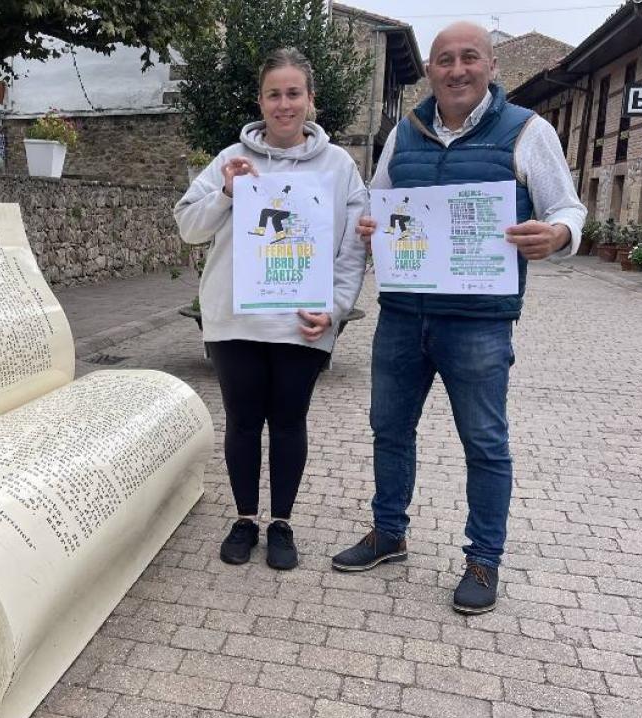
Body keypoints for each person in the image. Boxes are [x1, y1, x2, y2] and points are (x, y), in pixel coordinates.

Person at [331, 22, 586, 613]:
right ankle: (388, 532)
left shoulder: (527, 129)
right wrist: (370, 227)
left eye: (470, 57)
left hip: (477, 320)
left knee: (485, 443)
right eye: (444, 59)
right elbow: (377, 197)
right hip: (401, 314)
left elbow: (568, 204)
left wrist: (558, 232)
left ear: (491, 66)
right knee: (389, 429)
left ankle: (483, 560)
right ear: (431, 72)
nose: (457, 69)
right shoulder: (405, 131)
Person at [174, 47, 368, 571]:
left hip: (302, 319)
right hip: (234, 319)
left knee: (288, 422)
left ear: (310, 100)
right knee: (241, 421)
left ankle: (280, 522)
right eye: (273, 94)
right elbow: (189, 227)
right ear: (260, 100)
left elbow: (352, 248)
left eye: (294, 94)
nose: (283, 104)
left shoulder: (339, 167)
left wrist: (336, 306)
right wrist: (226, 192)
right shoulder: (228, 159)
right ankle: (244, 518)